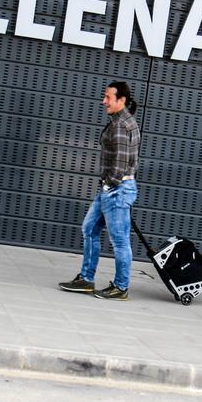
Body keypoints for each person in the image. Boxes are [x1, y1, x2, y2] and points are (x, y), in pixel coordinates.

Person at [58, 81, 141, 301]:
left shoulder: (121, 125)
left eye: (108, 97)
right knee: (89, 228)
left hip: (116, 189)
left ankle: (121, 287)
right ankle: (86, 279)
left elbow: (122, 163)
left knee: (120, 241)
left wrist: (110, 185)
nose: (103, 101)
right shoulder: (120, 121)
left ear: (121, 100)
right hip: (113, 187)